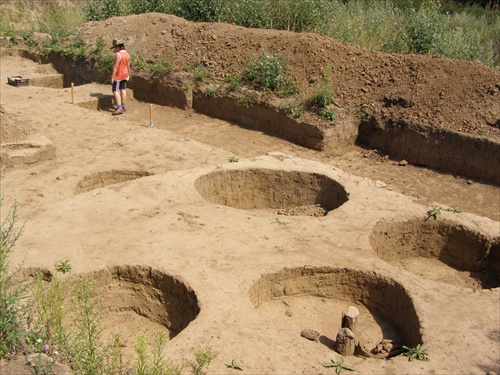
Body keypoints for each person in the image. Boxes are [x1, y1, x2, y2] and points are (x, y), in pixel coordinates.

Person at [110, 38, 130, 115]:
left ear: (118, 47)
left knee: (115, 90)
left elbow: (115, 67)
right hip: (125, 74)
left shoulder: (118, 55)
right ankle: (123, 105)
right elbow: (128, 66)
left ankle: (119, 107)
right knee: (123, 89)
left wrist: (112, 77)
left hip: (119, 75)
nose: (114, 49)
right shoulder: (127, 54)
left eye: (115, 47)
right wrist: (128, 74)